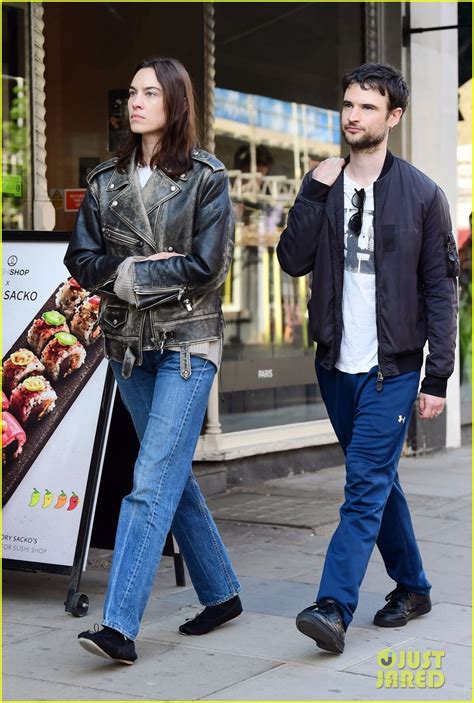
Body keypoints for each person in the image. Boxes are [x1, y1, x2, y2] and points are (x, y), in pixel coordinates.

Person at [64, 57, 242, 665]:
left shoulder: (206, 178)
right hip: (127, 347)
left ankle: (118, 625)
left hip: (188, 344)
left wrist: (135, 276)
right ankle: (220, 592)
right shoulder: (106, 181)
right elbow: (79, 259)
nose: (134, 103)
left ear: (175, 101)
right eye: (131, 93)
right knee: (169, 471)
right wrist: (132, 272)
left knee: (147, 483)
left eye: (148, 93)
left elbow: (206, 266)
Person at [277, 63, 458, 654]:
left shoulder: (423, 194)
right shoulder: (323, 184)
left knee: (363, 484)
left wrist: (437, 376)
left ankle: (334, 604)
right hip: (336, 366)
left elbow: (440, 289)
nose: (353, 115)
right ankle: (414, 586)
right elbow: (292, 260)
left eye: (368, 107)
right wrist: (312, 191)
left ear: (393, 117)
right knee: (379, 482)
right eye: (348, 105)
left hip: (395, 370)